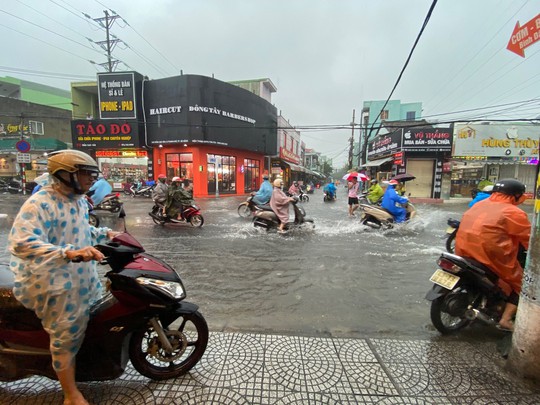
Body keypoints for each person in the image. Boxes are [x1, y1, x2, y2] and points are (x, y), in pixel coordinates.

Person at [8, 149, 118, 405]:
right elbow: (21, 243)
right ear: (67, 175)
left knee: (91, 319)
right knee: (65, 336)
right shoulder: (40, 203)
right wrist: (68, 252)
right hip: (54, 281)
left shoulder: (77, 200)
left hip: (82, 276)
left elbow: (80, 230)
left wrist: (105, 235)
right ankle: (70, 393)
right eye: (87, 174)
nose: (93, 180)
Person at [455, 179, 530, 332]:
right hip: (490, 257)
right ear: (515, 195)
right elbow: (528, 238)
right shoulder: (514, 212)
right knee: (523, 285)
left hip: (464, 252)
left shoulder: (479, 204)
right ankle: (506, 320)